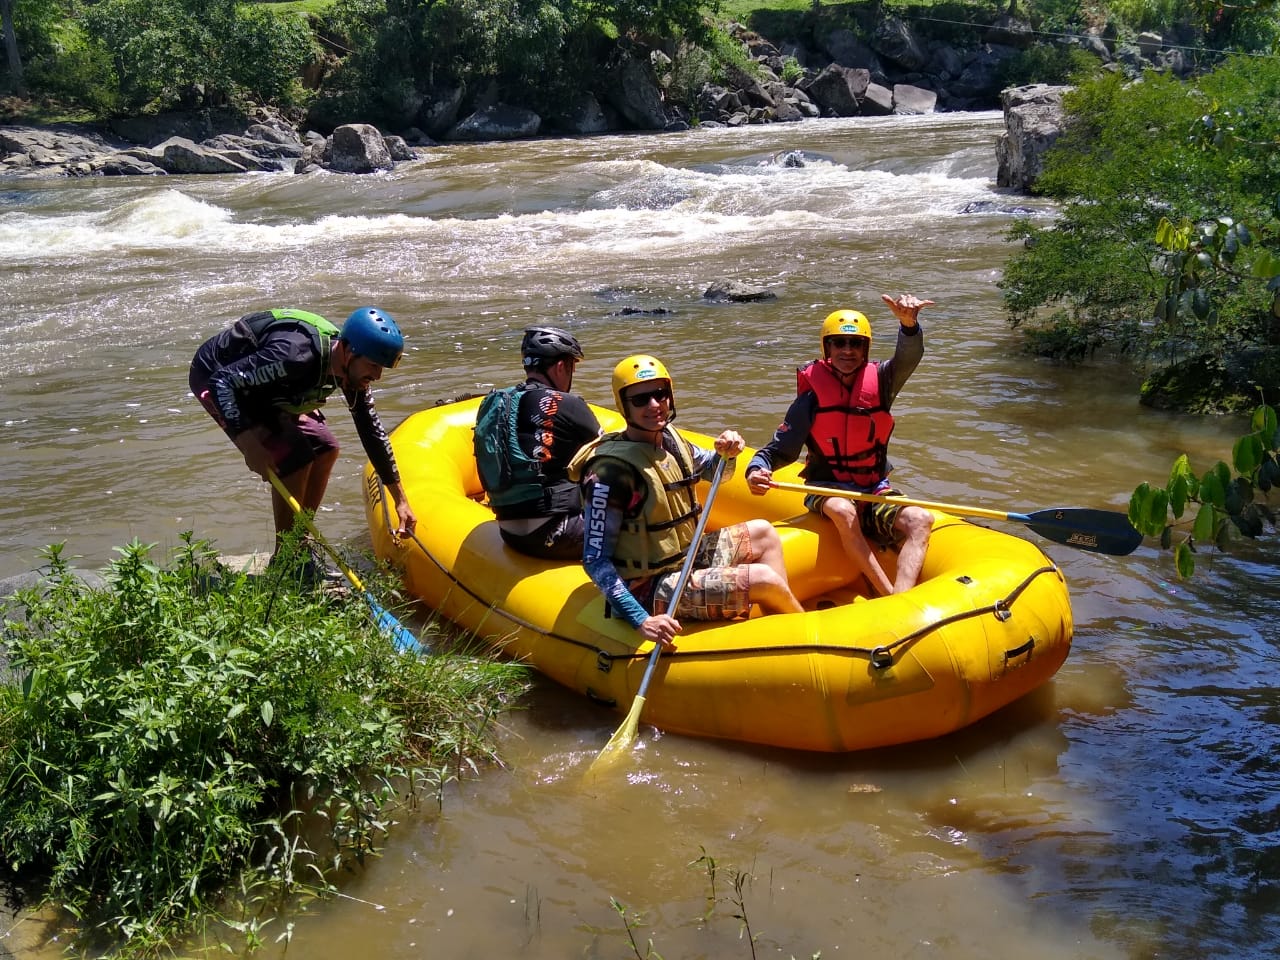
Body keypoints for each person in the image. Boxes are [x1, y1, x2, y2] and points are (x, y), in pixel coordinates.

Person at [570, 354, 803, 650]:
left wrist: (727, 453)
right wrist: (641, 620)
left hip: (684, 559)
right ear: (623, 406)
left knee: (764, 532)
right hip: (646, 588)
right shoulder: (609, 473)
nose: (655, 405)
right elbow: (594, 559)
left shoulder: (669, 439)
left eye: (660, 394)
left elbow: (719, 471)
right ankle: (802, 638)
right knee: (763, 579)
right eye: (641, 399)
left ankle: (779, 635)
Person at [189, 306, 417, 567]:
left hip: (265, 384)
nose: (376, 376)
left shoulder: (349, 368)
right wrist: (249, 444)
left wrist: (400, 500)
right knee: (295, 457)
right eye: (373, 365)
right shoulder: (294, 358)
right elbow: (221, 383)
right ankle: (286, 560)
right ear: (348, 350)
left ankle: (299, 542)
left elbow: (371, 432)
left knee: (326, 447)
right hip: (216, 377)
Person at [745, 295, 935, 596]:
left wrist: (908, 326)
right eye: (840, 343)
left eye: (856, 344)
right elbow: (777, 451)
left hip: (872, 490)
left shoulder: (883, 381)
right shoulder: (810, 398)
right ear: (827, 348)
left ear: (865, 349)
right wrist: (757, 469)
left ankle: (902, 597)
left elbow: (908, 358)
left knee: (921, 519)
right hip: (826, 490)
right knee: (843, 510)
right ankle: (887, 595)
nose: (848, 351)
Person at [473, 326, 602, 559]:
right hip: (558, 533)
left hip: (510, 534)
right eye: (572, 366)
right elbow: (610, 455)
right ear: (562, 366)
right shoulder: (569, 403)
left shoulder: (498, 402)